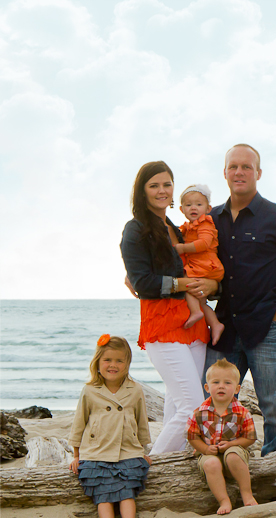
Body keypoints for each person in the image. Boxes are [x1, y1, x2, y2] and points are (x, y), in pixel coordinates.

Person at [202, 144, 276, 457]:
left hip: (269, 326)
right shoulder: (210, 219)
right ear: (225, 172)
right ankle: (222, 460)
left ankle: (275, 469)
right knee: (214, 403)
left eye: (246, 167)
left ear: (258, 173)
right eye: (233, 167)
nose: (239, 172)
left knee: (273, 409)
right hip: (225, 327)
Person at [121, 161, 210, 454]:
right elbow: (144, 282)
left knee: (176, 403)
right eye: (154, 185)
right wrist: (184, 285)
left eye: (167, 184)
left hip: (193, 324)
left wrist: (206, 284)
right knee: (192, 407)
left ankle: (172, 466)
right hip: (163, 324)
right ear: (142, 191)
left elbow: (196, 266)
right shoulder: (135, 229)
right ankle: (153, 466)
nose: (162, 191)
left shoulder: (174, 227)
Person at [68, 335, 151, 518]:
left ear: (127, 363)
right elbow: (79, 423)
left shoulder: (135, 389)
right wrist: (76, 454)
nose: (113, 365)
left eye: (119, 361)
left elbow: (141, 422)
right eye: (107, 360)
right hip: (97, 452)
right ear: (98, 363)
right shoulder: (90, 390)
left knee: (127, 492)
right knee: (102, 494)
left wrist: (143, 451)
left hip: (127, 450)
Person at [186, 359, 258, 515]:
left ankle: (247, 493)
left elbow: (250, 437)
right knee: (211, 464)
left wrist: (233, 444)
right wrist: (205, 448)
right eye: (216, 382)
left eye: (227, 383)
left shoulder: (242, 412)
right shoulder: (199, 412)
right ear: (207, 387)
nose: (221, 386)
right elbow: (192, 436)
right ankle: (224, 500)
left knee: (233, 456)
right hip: (209, 452)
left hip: (234, 450)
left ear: (237, 388)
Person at [175, 184, 225, 345]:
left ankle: (196, 312)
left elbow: (204, 243)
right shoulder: (187, 227)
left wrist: (182, 248)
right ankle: (215, 324)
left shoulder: (205, 224)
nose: (193, 208)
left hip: (207, 265)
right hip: (201, 265)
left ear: (208, 208)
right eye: (188, 205)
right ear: (182, 209)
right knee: (201, 300)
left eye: (198, 204)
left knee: (185, 280)